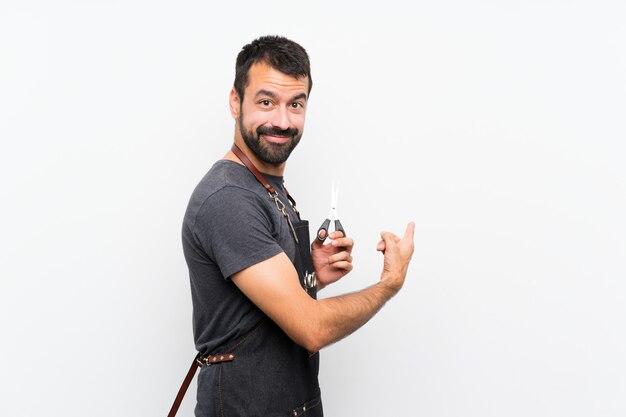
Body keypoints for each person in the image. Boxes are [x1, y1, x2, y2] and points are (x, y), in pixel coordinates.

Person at [181, 35, 415, 417]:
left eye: (296, 104)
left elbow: (254, 309)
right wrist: (389, 284)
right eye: (266, 102)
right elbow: (311, 329)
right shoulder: (229, 198)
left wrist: (309, 276)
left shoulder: (268, 190)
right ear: (235, 102)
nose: (282, 121)